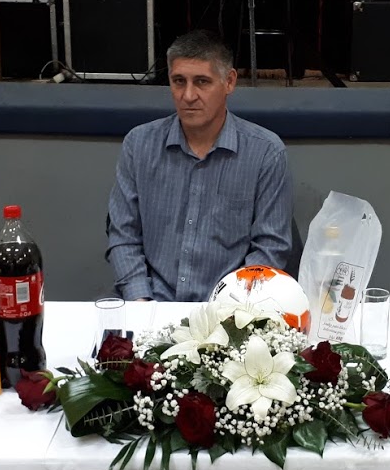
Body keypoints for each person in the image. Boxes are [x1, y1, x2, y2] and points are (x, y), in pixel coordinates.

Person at [107, 29, 292, 301]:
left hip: (228, 308)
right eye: (178, 81)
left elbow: (270, 248)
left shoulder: (265, 152)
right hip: (149, 301)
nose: (188, 95)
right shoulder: (139, 144)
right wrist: (141, 301)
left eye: (202, 82)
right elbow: (123, 235)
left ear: (229, 82)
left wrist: (226, 310)